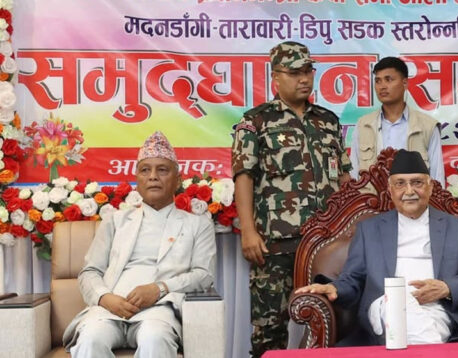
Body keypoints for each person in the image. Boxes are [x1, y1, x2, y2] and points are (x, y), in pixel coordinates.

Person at [296, 149, 458, 346]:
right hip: (385, 306)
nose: (409, 191)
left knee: (419, 327)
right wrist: (332, 287)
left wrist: (447, 288)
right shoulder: (369, 230)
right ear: (390, 190)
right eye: (400, 184)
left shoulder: (457, 228)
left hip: (436, 308)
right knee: (405, 315)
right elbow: (353, 279)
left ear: (430, 187)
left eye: (417, 183)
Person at [231, 41, 351, 357]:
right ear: (276, 76)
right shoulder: (256, 121)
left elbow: (344, 178)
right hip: (275, 243)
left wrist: (349, 231)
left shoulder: (328, 121)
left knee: (335, 323)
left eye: (308, 71)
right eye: (295, 72)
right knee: (269, 329)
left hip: (326, 243)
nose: (304, 79)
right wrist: (248, 230)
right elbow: (243, 175)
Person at [63, 131, 217, 358]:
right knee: (90, 339)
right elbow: (90, 272)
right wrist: (106, 298)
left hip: (160, 311)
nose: (153, 176)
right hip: (109, 310)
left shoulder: (198, 225)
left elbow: (204, 275)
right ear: (137, 179)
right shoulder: (115, 221)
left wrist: (159, 288)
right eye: (145, 170)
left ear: (177, 179)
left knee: (155, 338)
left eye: (162, 170)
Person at [349, 57, 445, 186]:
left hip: (413, 201)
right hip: (372, 203)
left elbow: (437, 177)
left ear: (405, 83)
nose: (382, 86)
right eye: (378, 81)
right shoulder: (363, 125)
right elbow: (354, 174)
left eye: (388, 80)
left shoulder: (427, 126)